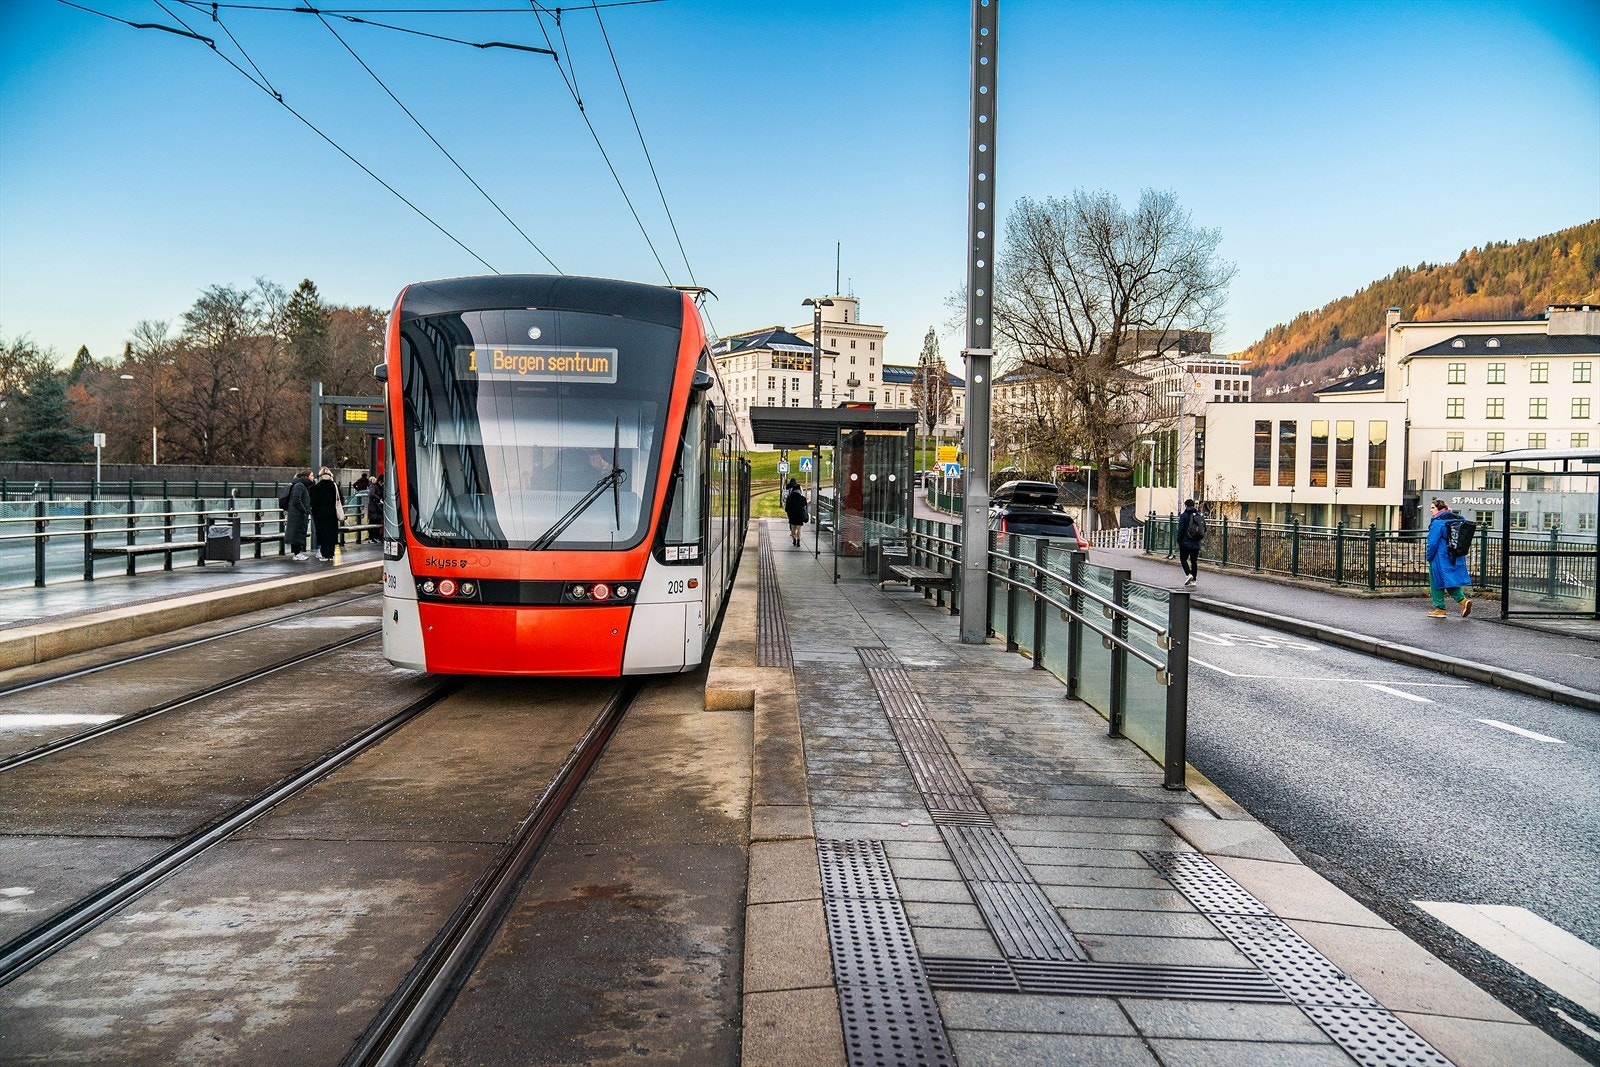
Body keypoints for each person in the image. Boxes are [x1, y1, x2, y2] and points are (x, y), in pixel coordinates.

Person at [1425, 498, 1472, 619]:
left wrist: (1429, 557)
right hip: (1454, 556)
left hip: (1439, 557)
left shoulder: (1438, 523)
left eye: (1433, 508)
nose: (1431, 510)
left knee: (1436, 582)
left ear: (1440, 509)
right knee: (1449, 580)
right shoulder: (1457, 520)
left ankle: (1440, 609)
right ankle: (1463, 601)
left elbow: (1432, 543)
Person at [310, 466, 341, 562]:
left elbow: (313, 503)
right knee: (331, 534)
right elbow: (340, 500)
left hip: (321, 515)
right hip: (332, 515)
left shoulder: (316, 487)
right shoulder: (335, 486)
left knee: (322, 534)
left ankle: (324, 554)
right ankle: (331, 554)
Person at [285, 469, 314, 561]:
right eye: (311, 476)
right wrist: (304, 510)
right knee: (297, 533)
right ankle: (297, 553)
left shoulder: (302, 485)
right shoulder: (300, 485)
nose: (313, 478)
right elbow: (296, 499)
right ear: (307, 477)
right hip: (297, 514)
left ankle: (298, 552)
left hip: (299, 514)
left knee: (299, 533)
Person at [1177, 498, 1205, 586]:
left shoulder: (1184, 516)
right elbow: (1204, 529)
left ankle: (1189, 574)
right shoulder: (1199, 515)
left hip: (1185, 542)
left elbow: (1181, 530)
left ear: (1186, 505)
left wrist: (1179, 540)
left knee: (1183, 559)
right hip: (1196, 542)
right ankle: (1194, 580)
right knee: (1194, 561)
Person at [783, 478, 809, 547]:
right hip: (800, 515)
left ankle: (794, 538)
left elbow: (786, 508)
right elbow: (805, 507)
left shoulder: (789, 498)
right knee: (799, 528)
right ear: (799, 490)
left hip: (792, 516)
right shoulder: (802, 498)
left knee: (793, 528)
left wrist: (789, 512)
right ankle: (798, 539)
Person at [367, 472, 384, 541]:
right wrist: (379, 499)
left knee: (377, 521)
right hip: (373, 508)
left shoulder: (378, 487)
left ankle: (375, 536)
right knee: (373, 522)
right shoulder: (374, 486)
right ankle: (372, 537)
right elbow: (371, 494)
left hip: (376, 508)